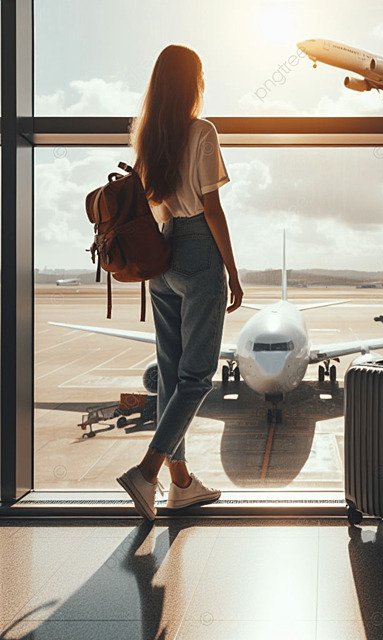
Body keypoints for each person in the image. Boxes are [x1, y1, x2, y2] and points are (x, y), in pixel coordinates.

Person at [116, 44, 243, 520]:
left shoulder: (149, 137)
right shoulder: (202, 132)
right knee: (196, 378)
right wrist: (231, 269)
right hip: (196, 252)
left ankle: (181, 482)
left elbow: (157, 207)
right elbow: (212, 209)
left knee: (171, 377)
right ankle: (147, 471)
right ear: (194, 83)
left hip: (162, 257)